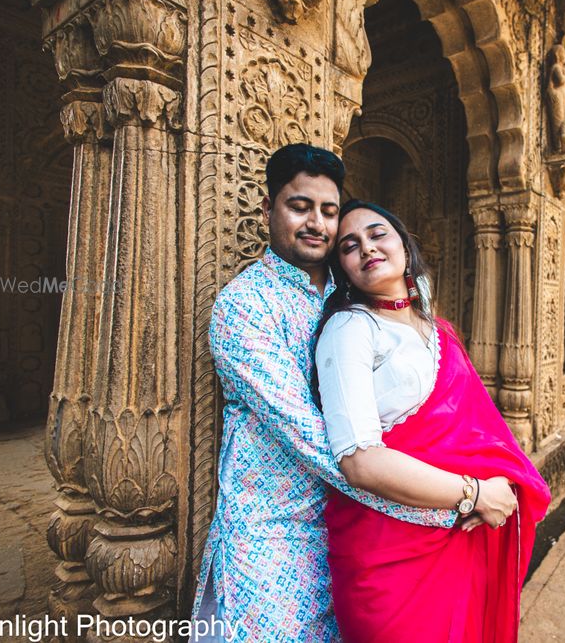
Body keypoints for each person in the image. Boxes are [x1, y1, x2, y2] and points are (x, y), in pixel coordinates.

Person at [192, 144, 469, 642]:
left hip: (358, 529)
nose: (316, 222)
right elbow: (314, 437)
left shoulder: (354, 297)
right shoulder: (244, 306)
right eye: (299, 207)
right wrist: (452, 502)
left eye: (328, 210)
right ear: (268, 211)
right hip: (273, 538)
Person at [314, 199, 551, 642]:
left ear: (404, 243)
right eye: (349, 246)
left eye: (377, 234)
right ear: (341, 268)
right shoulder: (351, 328)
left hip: (456, 535)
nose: (366, 248)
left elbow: (478, 430)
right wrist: (475, 493)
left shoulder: (437, 330)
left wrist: (495, 488)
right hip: (388, 554)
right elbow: (360, 461)